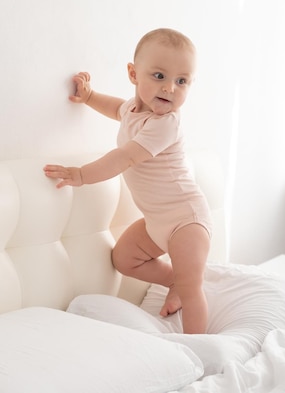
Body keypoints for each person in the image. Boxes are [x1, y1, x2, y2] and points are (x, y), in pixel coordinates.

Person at [43, 28, 212, 334]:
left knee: (192, 288)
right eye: (159, 76)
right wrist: (90, 97)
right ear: (134, 74)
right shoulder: (133, 111)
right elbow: (116, 109)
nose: (170, 88)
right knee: (124, 258)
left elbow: (125, 157)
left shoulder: (166, 124)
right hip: (156, 222)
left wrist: (81, 175)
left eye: (182, 81)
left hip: (186, 220)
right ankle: (171, 279)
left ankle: (198, 348)